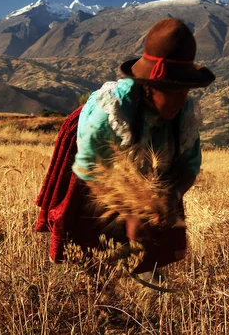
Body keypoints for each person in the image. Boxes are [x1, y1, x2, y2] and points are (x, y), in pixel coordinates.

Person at [34, 18, 215, 278]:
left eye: (186, 91)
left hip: (153, 170)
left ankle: (146, 273)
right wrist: (130, 212)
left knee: (154, 231)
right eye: (174, 92)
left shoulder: (185, 116)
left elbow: (188, 166)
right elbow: (93, 170)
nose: (182, 99)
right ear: (150, 88)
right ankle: (93, 285)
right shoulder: (108, 113)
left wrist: (168, 197)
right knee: (90, 235)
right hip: (100, 166)